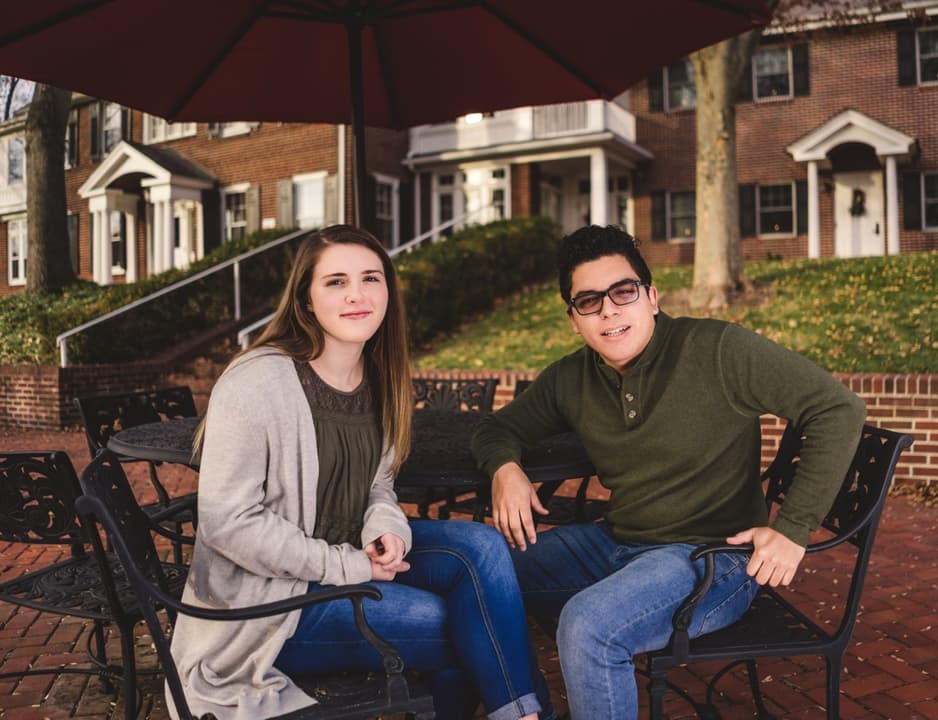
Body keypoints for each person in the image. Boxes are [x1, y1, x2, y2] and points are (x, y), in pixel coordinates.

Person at [472, 224, 867, 719]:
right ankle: (526, 712)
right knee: (479, 574)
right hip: (617, 544)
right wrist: (505, 467)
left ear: (651, 297)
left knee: (588, 625)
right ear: (574, 320)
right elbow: (496, 429)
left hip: (712, 557)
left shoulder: (719, 350)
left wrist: (791, 529)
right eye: (589, 301)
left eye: (623, 292)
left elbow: (837, 408)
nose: (609, 310)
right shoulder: (571, 378)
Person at [169, 225, 551, 720]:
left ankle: (519, 713)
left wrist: (385, 529)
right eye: (335, 282)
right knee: (456, 620)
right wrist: (350, 568)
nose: (357, 294)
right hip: (270, 607)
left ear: (388, 291)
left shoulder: (379, 378)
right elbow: (228, 523)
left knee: (482, 548)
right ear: (306, 300)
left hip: (349, 557)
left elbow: (378, 485)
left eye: (371, 278)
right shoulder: (257, 380)